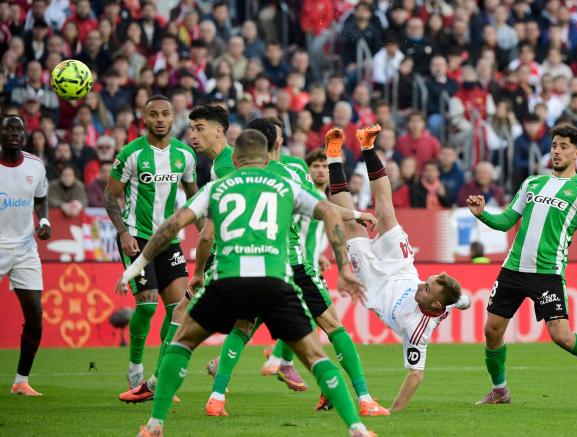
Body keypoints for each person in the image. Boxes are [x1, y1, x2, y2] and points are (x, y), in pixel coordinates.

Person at [118, 129, 376, 437]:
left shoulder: (218, 187)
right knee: (316, 356)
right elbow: (331, 213)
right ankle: (357, 428)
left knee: (182, 343)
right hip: (275, 282)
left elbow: (173, 225)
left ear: (236, 159)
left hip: (228, 281)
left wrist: (137, 265)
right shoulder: (285, 186)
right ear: (267, 157)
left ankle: (155, 425)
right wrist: (344, 267)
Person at [205, 118, 386, 417]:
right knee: (332, 326)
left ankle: (217, 397)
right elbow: (322, 210)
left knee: (241, 328)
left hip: (248, 264)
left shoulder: (229, 172)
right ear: (277, 144)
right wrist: (357, 214)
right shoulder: (287, 174)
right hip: (289, 263)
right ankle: (365, 400)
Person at [467, 123, 577, 405]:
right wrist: (483, 215)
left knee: (562, 336)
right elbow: (507, 220)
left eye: (564, 146)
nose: (557, 151)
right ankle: (500, 391)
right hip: (513, 269)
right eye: (554, 145)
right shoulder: (532, 183)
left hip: (547, 273)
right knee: (492, 330)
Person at [325, 123, 471, 411]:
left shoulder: (418, 331)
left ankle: (333, 155)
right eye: (427, 281)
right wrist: (464, 301)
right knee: (386, 210)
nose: (422, 285)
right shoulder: (446, 299)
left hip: (375, 284)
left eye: (427, 288)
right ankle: (367, 145)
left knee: (350, 224)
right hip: (402, 266)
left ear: (436, 302)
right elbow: (463, 300)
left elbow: (416, 375)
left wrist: (394, 411)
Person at [118, 105, 235, 403]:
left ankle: (167, 385)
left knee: (188, 317)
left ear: (219, 131)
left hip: (231, 257)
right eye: (191, 128)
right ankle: (163, 383)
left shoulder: (225, 165)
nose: (193, 134)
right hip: (243, 255)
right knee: (184, 315)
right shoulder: (219, 163)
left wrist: (200, 269)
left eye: (199, 128)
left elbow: (208, 229)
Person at [105, 95, 198, 393]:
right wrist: (122, 233)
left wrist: (206, 232)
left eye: (165, 114)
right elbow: (110, 196)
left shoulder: (185, 155)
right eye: (154, 114)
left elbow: (195, 198)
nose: (160, 119)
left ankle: (158, 380)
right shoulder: (131, 153)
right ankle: (135, 368)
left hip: (169, 239)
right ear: (144, 119)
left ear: (173, 118)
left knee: (177, 310)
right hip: (138, 237)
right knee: (145, 307)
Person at [0, 115, 51, 396]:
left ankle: (21, 381)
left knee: (34, 316)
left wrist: (44, 222)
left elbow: (41, 199)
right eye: (8, 129)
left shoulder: (35, 166)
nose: (14, 133)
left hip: (24, 248)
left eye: (19, 129)